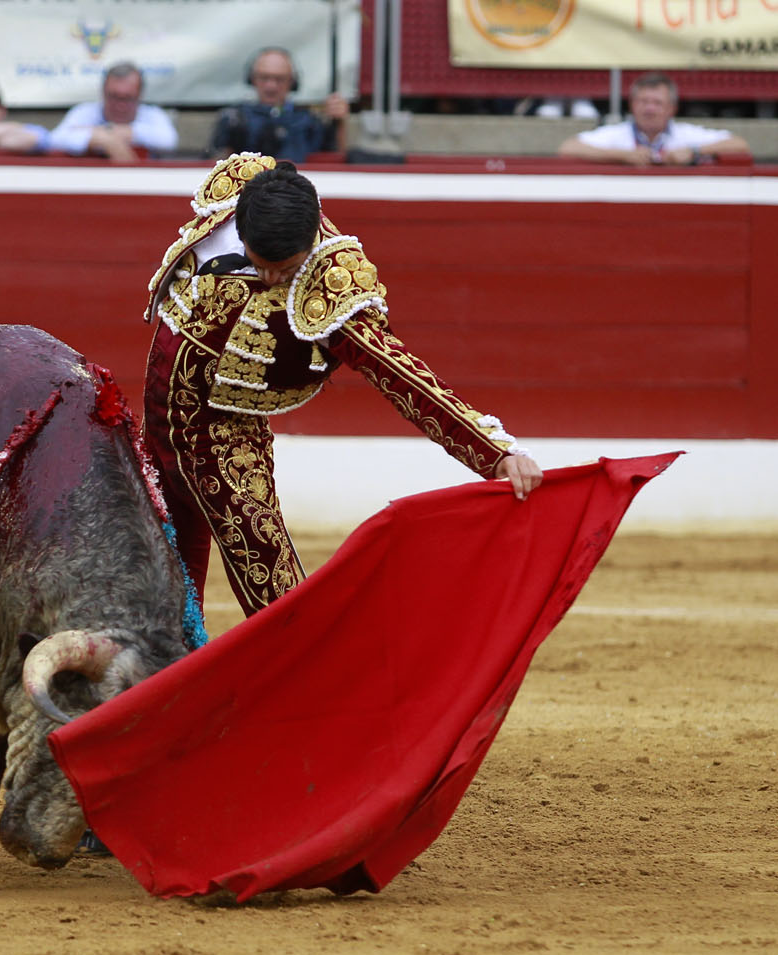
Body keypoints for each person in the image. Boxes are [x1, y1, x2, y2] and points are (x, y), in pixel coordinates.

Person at [142, 154, 542, 618]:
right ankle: (167, 661)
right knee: (162, 572)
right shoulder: (236, 197)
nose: (271, 278)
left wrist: (495, 452)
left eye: (285, 270)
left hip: (223, 439)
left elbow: (403, 376)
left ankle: (308, 666)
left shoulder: (332, 287)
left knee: (274, 588)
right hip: (157, 423)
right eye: (259, 263)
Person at [557, 72, 750, 165]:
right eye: (643, 101)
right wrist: (623, 155)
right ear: (632, 105)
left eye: (657, 103)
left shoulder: (685, 134)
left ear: (672, 109)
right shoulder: (618, 133)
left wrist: (694, 151)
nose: (649, 109)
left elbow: (740, 145)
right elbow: (568, 148)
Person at [208, 47, 348, 162]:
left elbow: (335, 161)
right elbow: (216, 165)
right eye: (264, 78)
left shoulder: (309, 121)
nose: (271, 86)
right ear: (252, 79)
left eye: (279, 79)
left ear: (292, 82)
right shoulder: (234, 118)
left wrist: (339, 123)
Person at [46, 61, 177, 161]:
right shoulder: (84, 112)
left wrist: (109, 131)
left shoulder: (153, 115)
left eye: (127, 98)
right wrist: (104, 140)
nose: (120, 105)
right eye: (114, 97)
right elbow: (54, 140)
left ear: (140, 95)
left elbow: (168, 141)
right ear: (103, 92)